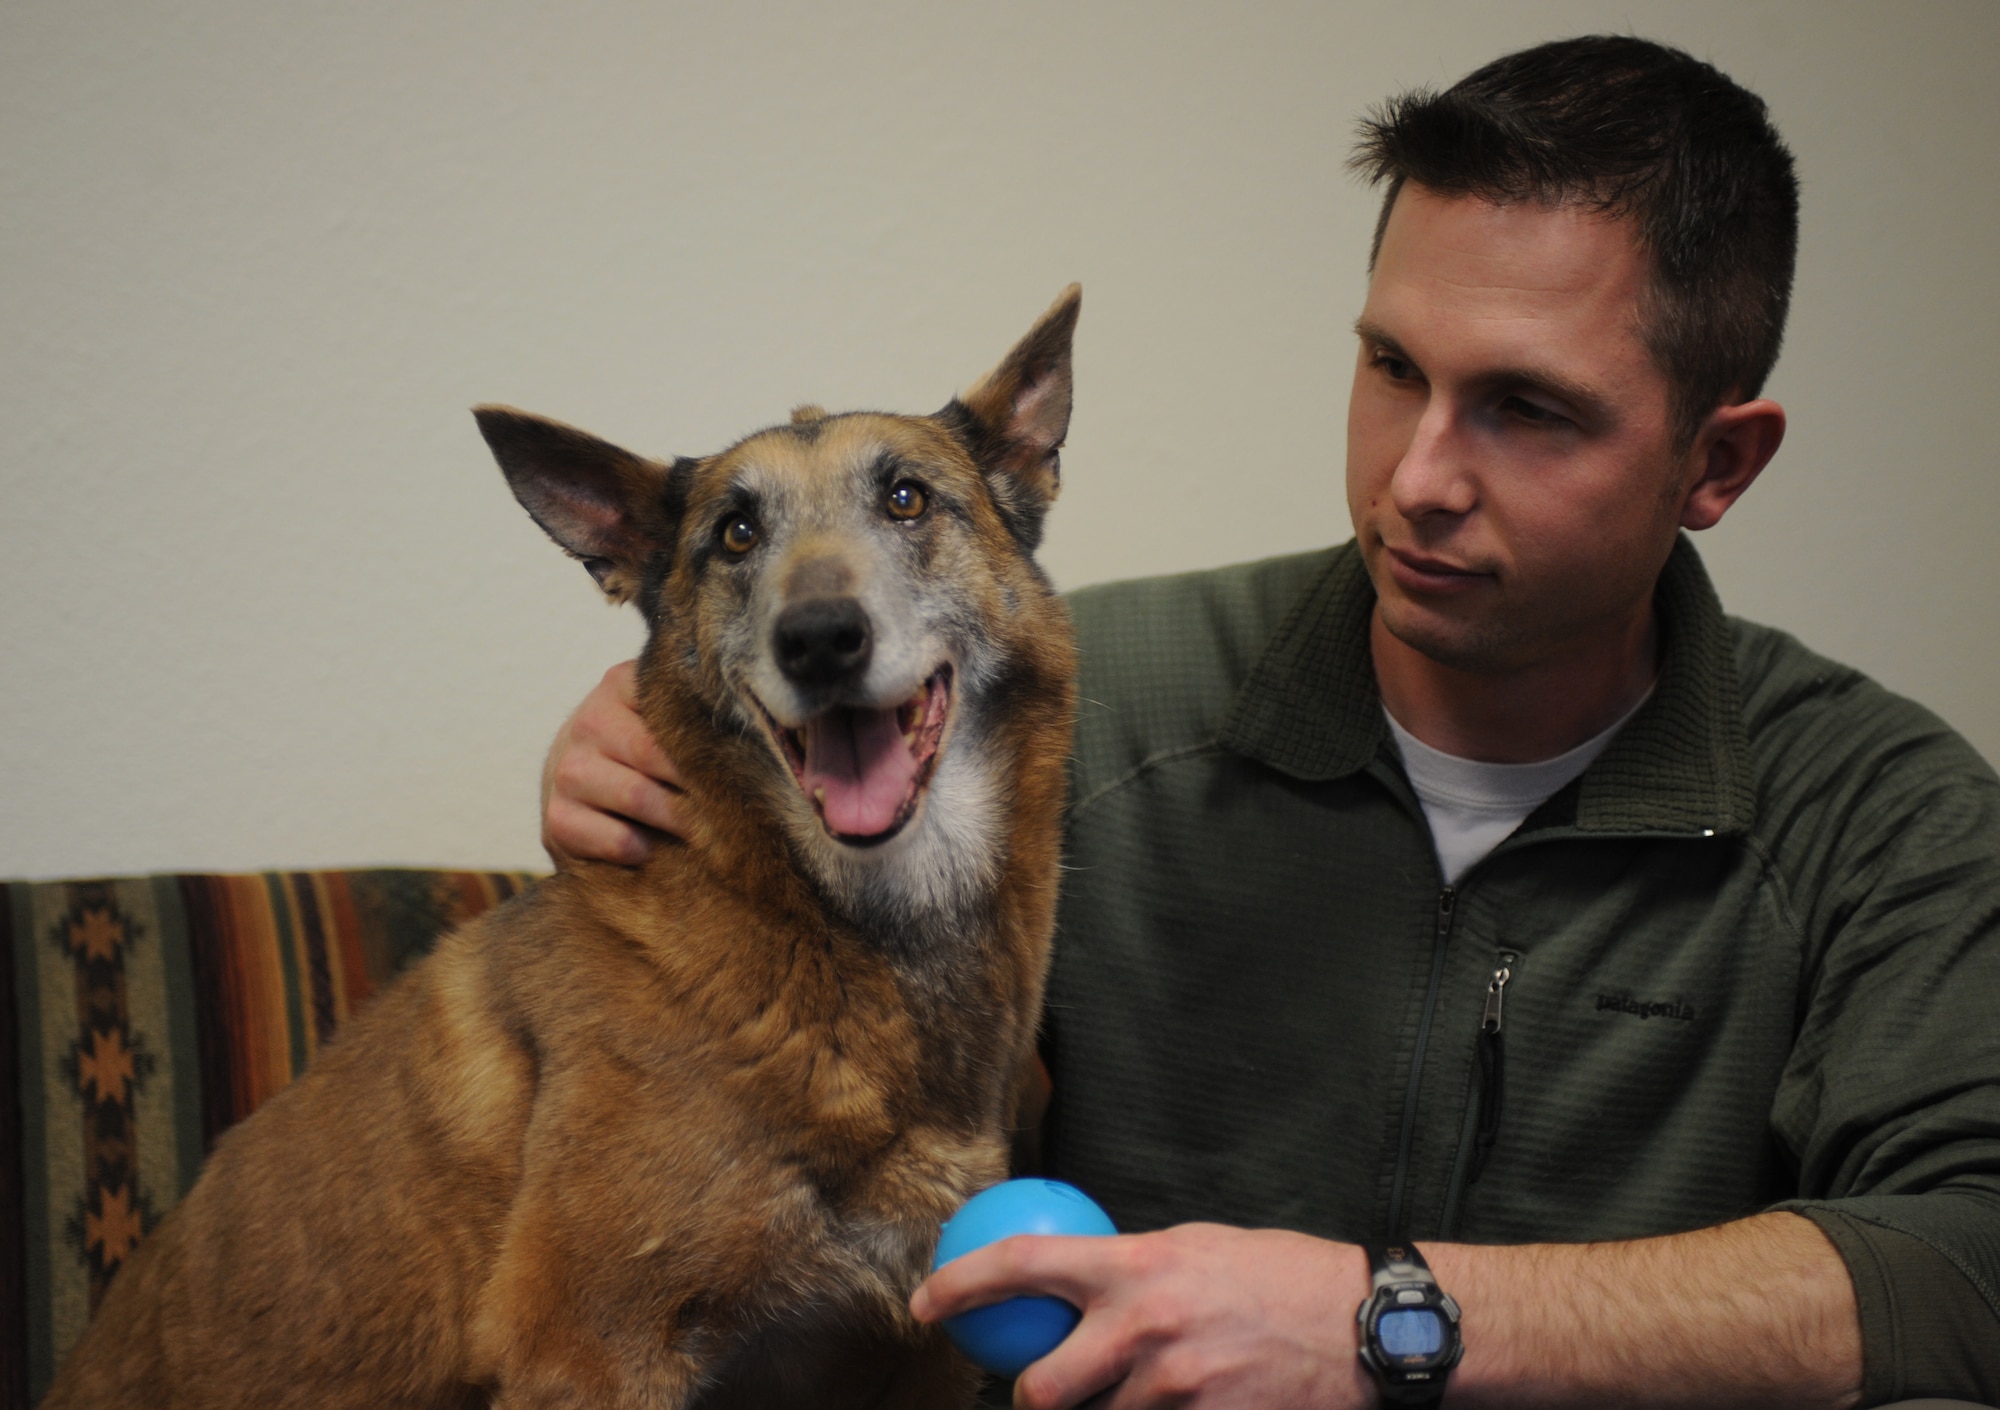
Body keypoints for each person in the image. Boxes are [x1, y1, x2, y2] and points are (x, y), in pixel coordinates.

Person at [538, 37, 2000, 1409]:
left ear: (1716, 462)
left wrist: (1384, 1321)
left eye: (1529, 409)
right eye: (1394, 369)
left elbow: (1968, 1258)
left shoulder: (1884, 813)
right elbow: (732, 1000)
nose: (1419, 475)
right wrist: (665, 758)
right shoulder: (1058, 700)